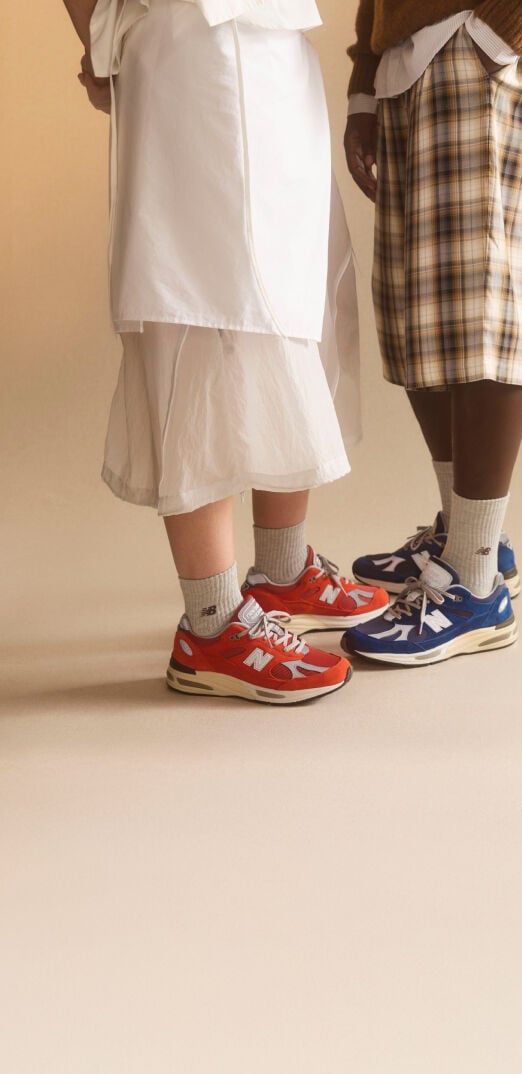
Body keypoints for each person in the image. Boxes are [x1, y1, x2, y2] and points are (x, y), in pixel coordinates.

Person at [61, 0, 389, 704]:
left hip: (272, 34)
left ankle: (283, 569)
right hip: (188, 39)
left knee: (289, 287)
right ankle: (211, 623)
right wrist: (99, 33)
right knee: (205, 299)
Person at [340, 0, 522, 667]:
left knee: (486, 311)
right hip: (413, 57)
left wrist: (506, 24)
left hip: (486, 47)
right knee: (422, 312)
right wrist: (365, 82)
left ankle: (474, 582)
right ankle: (470, 534)